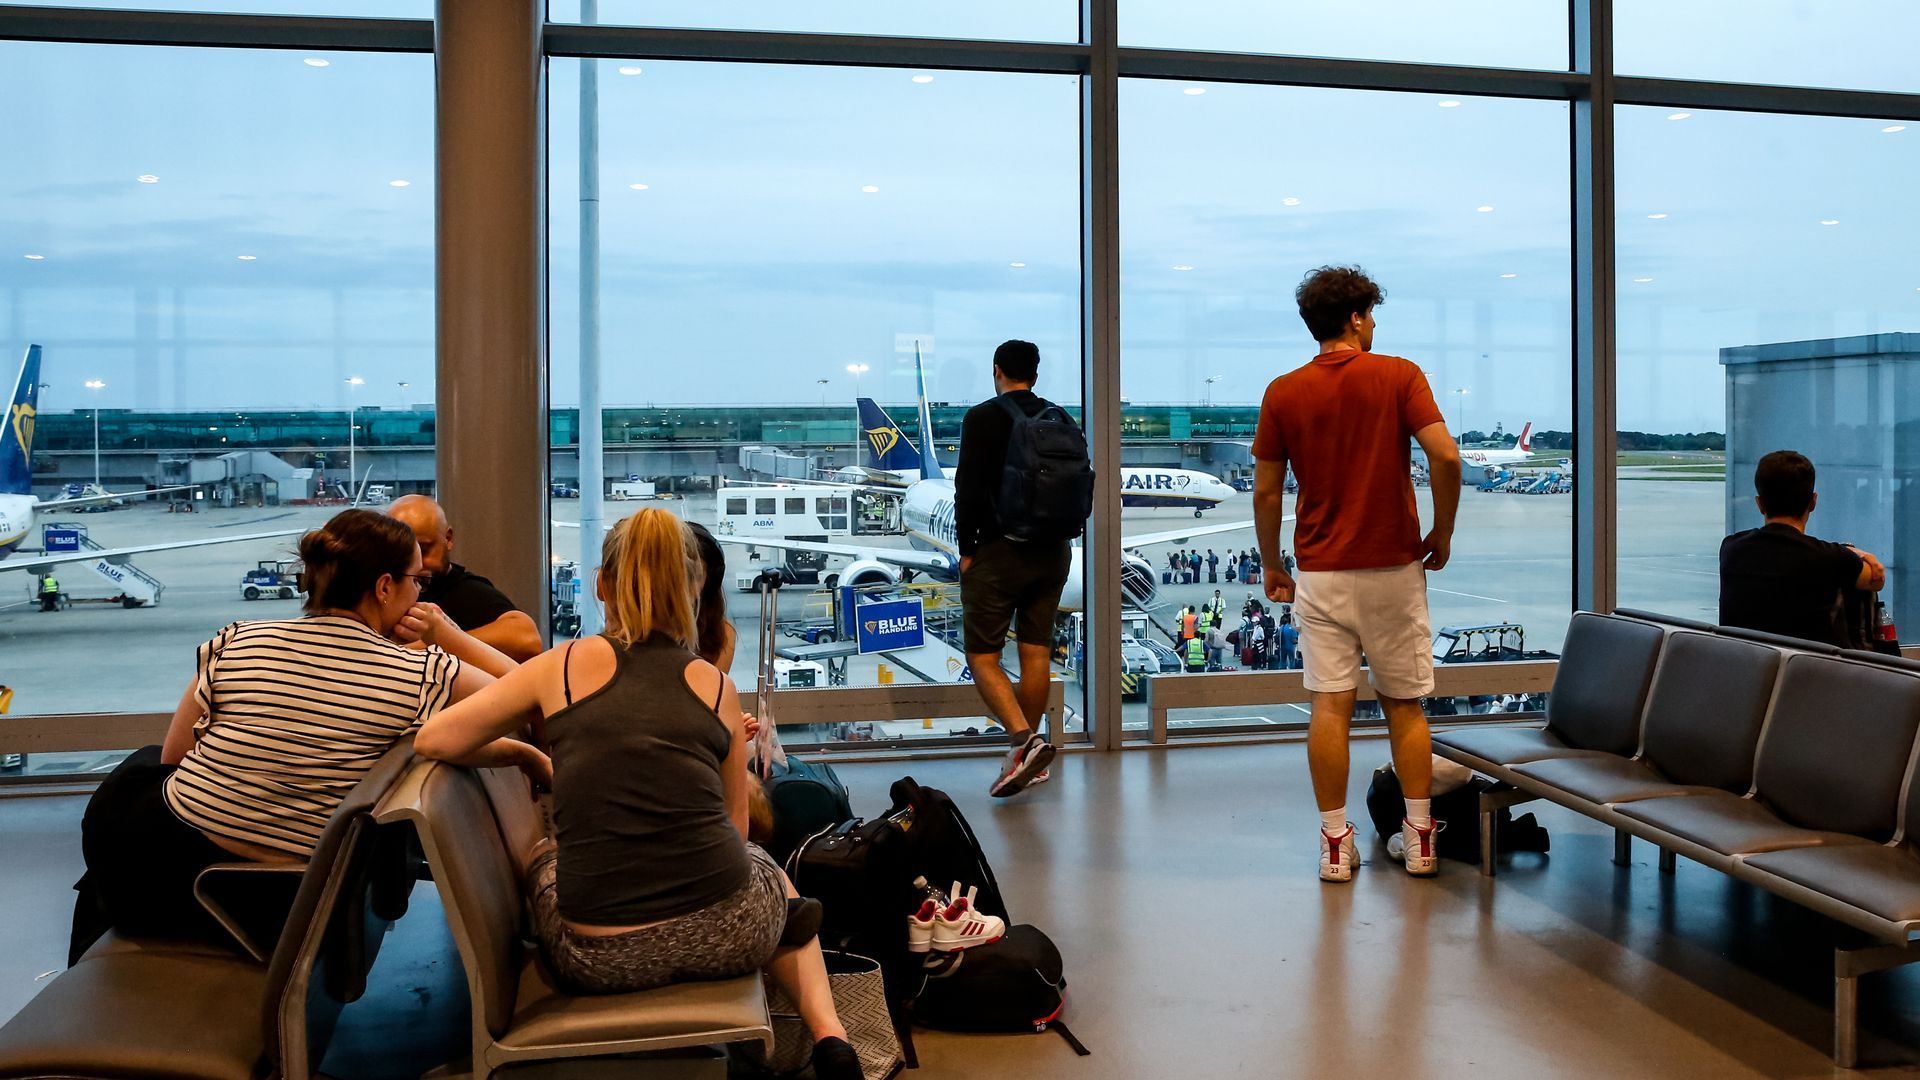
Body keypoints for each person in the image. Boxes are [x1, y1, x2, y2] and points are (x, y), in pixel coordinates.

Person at [414, 509, 864, 1080]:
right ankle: (831, 1035)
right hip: (729, 936)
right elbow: (738, 831)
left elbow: (436, 738)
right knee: (760, 867)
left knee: (549, 862)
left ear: (602, 585)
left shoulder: (561, 667)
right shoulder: (715, 686)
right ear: (695, 589)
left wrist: (528, 754)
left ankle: (796, 940)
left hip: (598, 956)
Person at [71, 509, 529, 961]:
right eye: (418, 582)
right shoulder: (417, 673)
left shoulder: (239, 640)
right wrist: (447, 633)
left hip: (196, 868)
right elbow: (522, 693)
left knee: (141, 771)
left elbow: (174, 758)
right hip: (272, 886)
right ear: (385, 586)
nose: (421, 591)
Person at [1252, 265, 1462, 882]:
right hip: (1394, 567)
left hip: (1320, 572)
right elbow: (1445, 455)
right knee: (1405, 707)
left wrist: (1271, 562)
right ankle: (1420, 836)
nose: (1373, 325)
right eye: (1370, 314)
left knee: (1329, 709)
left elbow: (1266, 493)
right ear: (1356, 318)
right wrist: (1442, 530)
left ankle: (1335, 843)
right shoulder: (1399, 375)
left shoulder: (1283, 391)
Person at [956, 339, 1083, 798]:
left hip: (1000, 551)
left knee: (983, 656)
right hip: (1054, 551)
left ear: (997, 371)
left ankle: (1022, 742)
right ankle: (1028, 758)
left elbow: (967, 488)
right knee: (1035, 653)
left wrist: (967, 547)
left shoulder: (983, 417)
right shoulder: (1060, 418)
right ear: (1035, 372)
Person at [1720, 450, 1886, 647]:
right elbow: (1877, 579)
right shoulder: (1831, 558)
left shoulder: (1731, 549)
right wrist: (1858, 553)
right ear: (1813, 501)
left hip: (1747, 669)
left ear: (1760, 503)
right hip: (1810, 672)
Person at [389, 494, 543, 662]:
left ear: (448, 539)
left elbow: (527, 639)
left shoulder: (464, 590)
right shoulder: (387, 587)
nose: (415, 563)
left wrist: (437, 641)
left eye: (424, 550)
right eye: (403, 554)